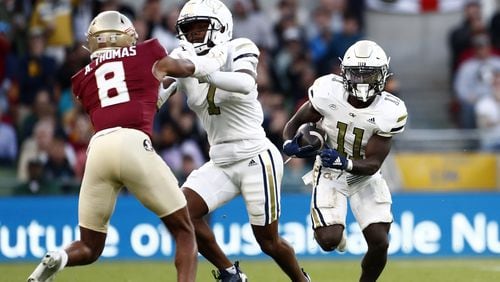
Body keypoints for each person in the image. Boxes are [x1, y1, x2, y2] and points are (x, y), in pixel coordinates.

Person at [27, 10, 228, 282]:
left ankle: (60, 256)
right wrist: (207, 60)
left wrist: (151, 95)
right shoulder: (148, 52)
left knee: (89, 246)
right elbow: (185, 69)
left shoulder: (82, 78)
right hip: (134, 144)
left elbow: (116, 103)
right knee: (184, 230)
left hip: (98, 150)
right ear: (126, 37)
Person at [158, 0, 310, 281]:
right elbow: (156, 98)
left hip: (254, 155)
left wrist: (196, 68)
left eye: (200, 28)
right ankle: (230, 273)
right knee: (178, 212)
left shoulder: (239, 47)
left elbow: (244, 83)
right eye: (188, 30)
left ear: (221, 27)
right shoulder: (184, 59)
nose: (193, 35)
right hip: (220, 160)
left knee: (268, 242)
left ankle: (301, 280)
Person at [283, 40, 408, 282]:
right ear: (344, 73)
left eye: (369, 74)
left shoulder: (389, 111)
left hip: (363, 175)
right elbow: (293, 124)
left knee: (380, 242)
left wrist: (346, 162)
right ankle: (334, 234)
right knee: (328, 241)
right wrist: (289, 143)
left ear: (382, 74)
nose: (362, 81)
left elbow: (373, 163)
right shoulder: (327, 92)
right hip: (330, 171)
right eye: (357, 74)